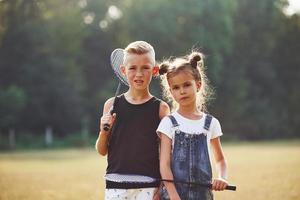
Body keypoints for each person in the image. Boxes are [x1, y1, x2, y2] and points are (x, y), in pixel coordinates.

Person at [96, 41, 170, 200]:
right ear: (123, 70)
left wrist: (162, 185)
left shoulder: (161, 109)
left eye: (145, 68)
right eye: (132, 68)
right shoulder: (111, 105)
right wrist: (103, 132)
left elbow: (166, 154)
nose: (139, 74)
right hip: (116, 185)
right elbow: (102, 151)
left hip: (149, 186)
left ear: (155, 70)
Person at [157, 51, 228, 200]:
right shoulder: (168, 123)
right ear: (171, 92)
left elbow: (220, 160)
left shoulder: (211, 123)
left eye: (187, 85)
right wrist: (173, 196)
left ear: (198, 85)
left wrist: (222, 177)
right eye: (176, 88)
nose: (182, 91)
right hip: (173, 196)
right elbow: (164, 165)